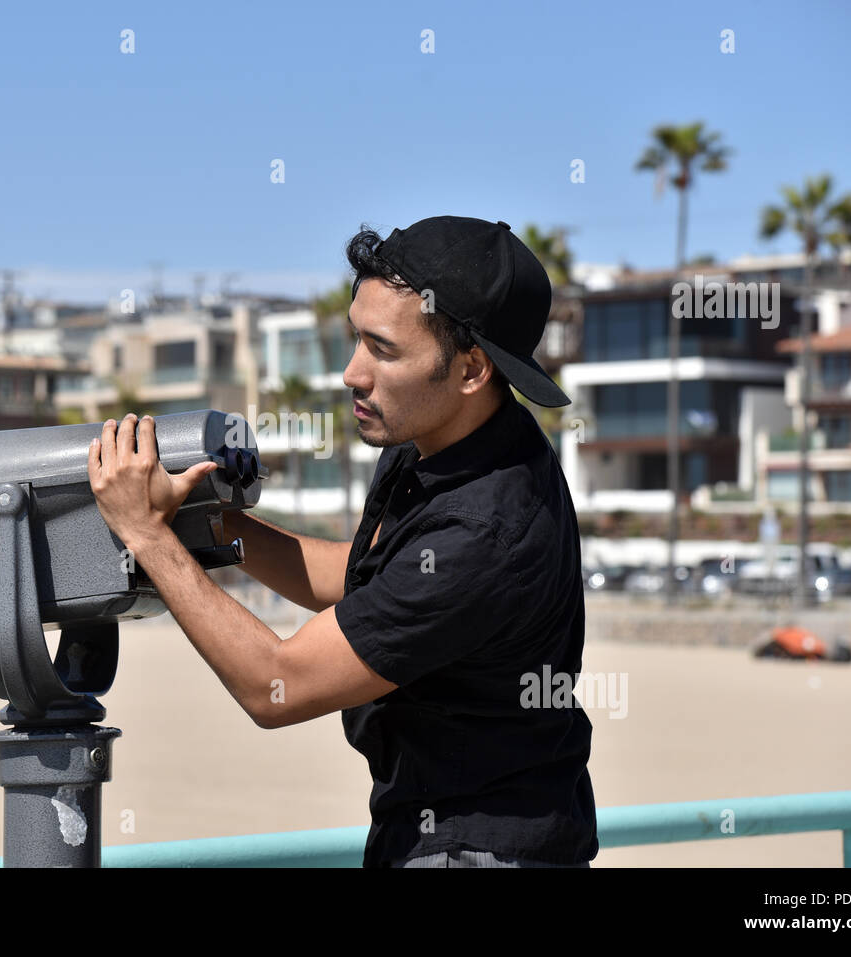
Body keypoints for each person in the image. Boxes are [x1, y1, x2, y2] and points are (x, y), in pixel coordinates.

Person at [87, 215, 597, 868]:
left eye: (382, 350)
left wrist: (148, 535)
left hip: (478, 847)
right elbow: (362, 580)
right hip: (430, 827)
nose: (352, 373)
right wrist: (215, 525)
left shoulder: (487, 529)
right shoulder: (442, 440)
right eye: (357, 339)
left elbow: (277, 685)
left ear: (471, 368)